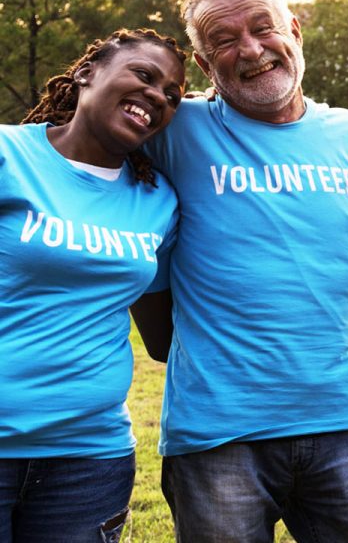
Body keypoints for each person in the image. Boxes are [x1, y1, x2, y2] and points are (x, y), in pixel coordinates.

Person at [129, 0, 348, 543]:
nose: (249, 49)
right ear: (203, 66)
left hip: (343, 419)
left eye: (262, 27)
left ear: (294, 32)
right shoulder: (177, 130)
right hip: (217, 432)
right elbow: (83, 131)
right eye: (222, 40)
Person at [0, 29, 185, 542]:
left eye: (171, 95)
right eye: (143, 76)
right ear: (85, 73)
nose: (157, 96)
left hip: (89, 459)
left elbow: (164, 339)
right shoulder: (8, 155)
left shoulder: (157, 202)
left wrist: (309, 315)